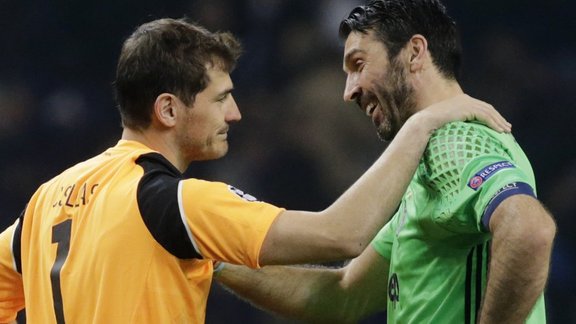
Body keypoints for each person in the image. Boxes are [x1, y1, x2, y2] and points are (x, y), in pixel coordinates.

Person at [0, 17, 510, 324]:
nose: (235, 114)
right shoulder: (175, 201)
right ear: (169, 110)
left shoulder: (43, 203)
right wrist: (421, 126)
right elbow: (341, 235)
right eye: (221, 98)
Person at [215, 1, 556, 323]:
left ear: (415, 52)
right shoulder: (427, 158)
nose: (349, 91)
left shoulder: (457, 141)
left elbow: (530, 231)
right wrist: (213, 259)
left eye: (359, 65)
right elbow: (342, 294)